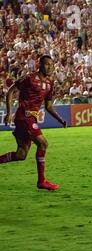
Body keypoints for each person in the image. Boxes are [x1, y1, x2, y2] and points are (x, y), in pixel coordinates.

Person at [0, 55, 67, 191]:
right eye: (47, 64)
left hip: (31, 119)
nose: (50, 67)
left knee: (21, 155)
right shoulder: (29, 78)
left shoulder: (50, 83)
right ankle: (41, 181)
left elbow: (48, 106)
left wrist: (60, 119)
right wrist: (9, 112)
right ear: (40, 65)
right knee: (43, 144)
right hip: (24, 117)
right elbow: (11, 91)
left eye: (52, 64)